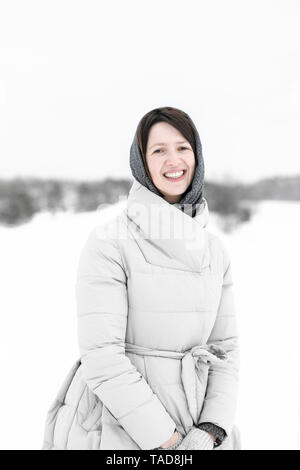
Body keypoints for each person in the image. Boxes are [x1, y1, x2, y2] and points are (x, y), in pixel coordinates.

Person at [41, 106, 240, 450]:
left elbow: (226, 351)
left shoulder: (214, 251)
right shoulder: (110, 241)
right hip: (119, 427)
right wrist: (167, 441)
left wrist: (209, 430)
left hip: (198, 430)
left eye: (182, 148)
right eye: (158, 150)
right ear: (141, 163)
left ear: (197, 157)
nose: (173, 160)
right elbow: (102, 357)